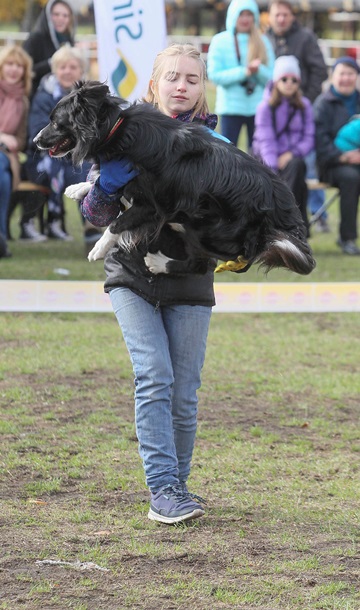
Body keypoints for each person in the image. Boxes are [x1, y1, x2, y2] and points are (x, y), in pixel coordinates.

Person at [78, 43, 223, 525]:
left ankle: (177, 488)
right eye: (173, 77)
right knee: (154, 376)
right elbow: (95, 215)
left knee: (184, 391)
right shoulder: (121, 139)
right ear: (153, 85)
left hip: (190, 278)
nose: (182, 85)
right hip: (130, 274)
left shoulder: (217, 149)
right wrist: (105, 186)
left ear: (203, 89)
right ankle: (162, 489)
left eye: (193, 79)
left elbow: (229, 221)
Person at [265, 0, 329, 231]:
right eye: (277, 15)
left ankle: (319, 214)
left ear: (292, 16)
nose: (281, 19)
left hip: (301, 111)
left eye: (285, 14)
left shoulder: (305, 38)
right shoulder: (265, 39)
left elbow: (319, 69)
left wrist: (305, 100)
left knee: (306, 165)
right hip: (272, 108)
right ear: (270, 16)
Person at [24, 45, 96, 243]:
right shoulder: (43, 96)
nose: (67, 71)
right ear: (55, 70)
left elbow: (91, 132)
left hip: (77, 156)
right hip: (44, 156)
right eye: (62, 67)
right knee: (53, 169)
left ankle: (92, 228)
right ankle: (53, 222)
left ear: (81, 71)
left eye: (73, 67)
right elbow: (38, 130)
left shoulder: (88, 100)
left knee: (88, 173)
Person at [252, 55, 315, 235]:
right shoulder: (265, 107)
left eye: (294, 80)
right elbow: (266, 139)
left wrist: (291, 153)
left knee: (296, 167)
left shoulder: (305, 106)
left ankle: (289, 224)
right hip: (267, 160)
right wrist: (274, 167)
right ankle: (295, 225)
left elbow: (309, 137)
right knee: (293, 181)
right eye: (284, 79)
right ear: (276, 80)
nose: (289, 83)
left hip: (292, 159)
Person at [207, 0, 275, 150]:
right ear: (233, 16)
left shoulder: (263, 42)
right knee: (228, 153)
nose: (245, 19)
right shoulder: (220, 41)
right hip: (230, 107)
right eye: (241, 14)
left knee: (259, 153)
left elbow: (272, 77)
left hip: (258, 109)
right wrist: (244, 72)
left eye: (249, 14)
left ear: (255, 17)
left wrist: (258, 71)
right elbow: (214, 75)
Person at [314, 56, 360, 256]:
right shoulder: (323, 104)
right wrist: (344, 157)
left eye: (351, 74)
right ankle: (347, 238)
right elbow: (319, 143)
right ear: (333, 76)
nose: (346, 79)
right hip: (330, 164)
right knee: (351, 178)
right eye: (342, 74)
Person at [0, 45, 33, 258]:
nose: (13, 69)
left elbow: (21, 139)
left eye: (18, 66)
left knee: (2, 179)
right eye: (9, 64)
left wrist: (10, 142)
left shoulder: (23, 101)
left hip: (6, 155)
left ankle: (1, 238)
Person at [23, 0, 75, 99]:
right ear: (47, 16)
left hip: (64, 98)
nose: (61, 18)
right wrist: (52, 62)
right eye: (56, 14)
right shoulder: (36, 39)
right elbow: (25, 70)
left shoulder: (68, 41)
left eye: (65, 15)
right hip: (37, 97)